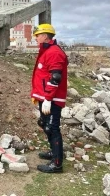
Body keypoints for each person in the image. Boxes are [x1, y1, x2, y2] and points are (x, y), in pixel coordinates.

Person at [31, 23, 68, 173]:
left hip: (52, 98)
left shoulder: (54, 52)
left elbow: (55, 78)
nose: (35, 38)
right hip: (45, 97)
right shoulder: (46, 51)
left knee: (52, 128)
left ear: (45, 36)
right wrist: (39, 96)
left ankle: (57, 163)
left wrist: (48, 98)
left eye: (37, 35)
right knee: (44, 124)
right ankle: (54, 152)